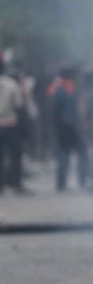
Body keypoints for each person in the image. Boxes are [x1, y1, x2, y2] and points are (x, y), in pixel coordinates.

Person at [48, 67, 88, 192]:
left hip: (64, 128)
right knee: (79, 154)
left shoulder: (58, 89)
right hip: (70, 128)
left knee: (64, 154)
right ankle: (81, 180)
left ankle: (62, 183)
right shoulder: (65, 90)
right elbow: (65, 113)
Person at [0, 59, 31, 195]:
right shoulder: (11, 84)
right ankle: (17, 185)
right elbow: (19, 105)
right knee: (16, 156)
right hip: (10, 124)